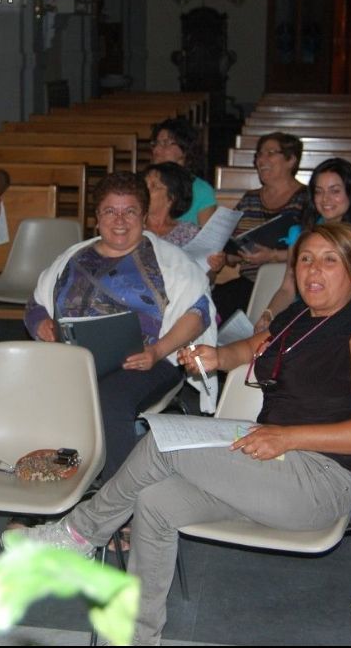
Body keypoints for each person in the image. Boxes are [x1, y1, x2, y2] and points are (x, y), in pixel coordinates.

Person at [8, 223, 351, 645]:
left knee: (161, 443)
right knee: (154, 500)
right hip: (268, 464)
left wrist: (288, 438)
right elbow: (254, 346)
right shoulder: (302, 317)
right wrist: (217, 356)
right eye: (306, 259)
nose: (314, 271)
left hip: (320, 480)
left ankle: (79, 533)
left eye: (330, 261)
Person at [25, 171, 217, 480]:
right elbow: (35, 304)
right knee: (34, 386)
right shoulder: (73, 258)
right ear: (96, 218)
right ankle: (49, 487)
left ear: (143, 216)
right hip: (75, 360)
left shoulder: (170, 261)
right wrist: (42, 325)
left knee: (106, 398)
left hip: (147, 362)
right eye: (110, 211)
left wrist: (157, 351)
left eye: (130, 212)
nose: (120, 220)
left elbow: (199, 312)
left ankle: (119, 503)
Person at [255, 158, 351, 332]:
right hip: (303, 314)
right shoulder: (299, 233)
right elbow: (288, 288)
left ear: (350, 193)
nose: (326, 199)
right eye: (319, 192)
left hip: (348, 319)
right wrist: (268, 315)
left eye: (335, 191)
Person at [212, 132, 310, 323]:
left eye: (270, 153)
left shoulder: (307, 199)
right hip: (249, 282)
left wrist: (272, 255)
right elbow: (232, 247)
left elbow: (311, 249)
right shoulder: (250, 199)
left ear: (291, 160)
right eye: (259, 154)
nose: (261, 159)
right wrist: (225, 256)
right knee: (211, 305)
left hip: (289, 282)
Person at [149, 117, 216, 226]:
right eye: (155, 143)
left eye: (165, 143)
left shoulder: (202, 190)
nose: (156, 150)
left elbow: (207, 239)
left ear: (185, 149)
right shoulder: (147, 184)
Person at [143, 161, 200, 247]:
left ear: (171, 198)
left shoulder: (189, 232)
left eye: (153, 186)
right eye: (143, 185)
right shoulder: (131, 227)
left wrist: (218, 260)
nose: (144, 190)